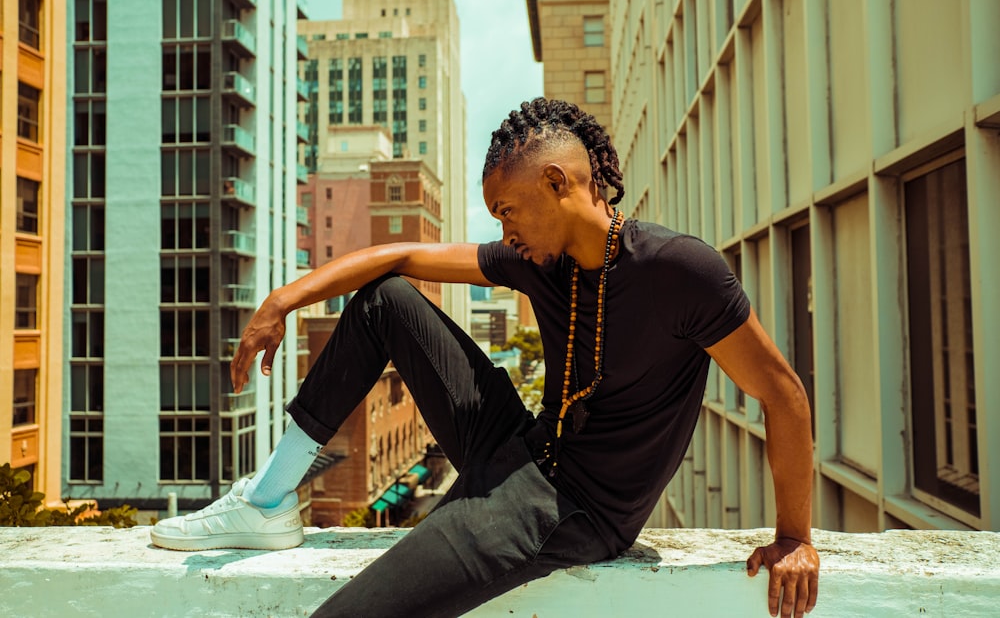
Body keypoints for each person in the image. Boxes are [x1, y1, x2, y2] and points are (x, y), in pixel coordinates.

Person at [151, 97, 820, 618]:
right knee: (386, 299)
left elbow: (782, 391)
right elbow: (399, 258)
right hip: (520, 444)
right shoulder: (543, 262)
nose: (504, 231)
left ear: (558, 181)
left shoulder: (681, 271)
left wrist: (795, 535)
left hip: (569, 508)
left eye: (508, 210)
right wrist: (284, 298)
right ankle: (268, 500)